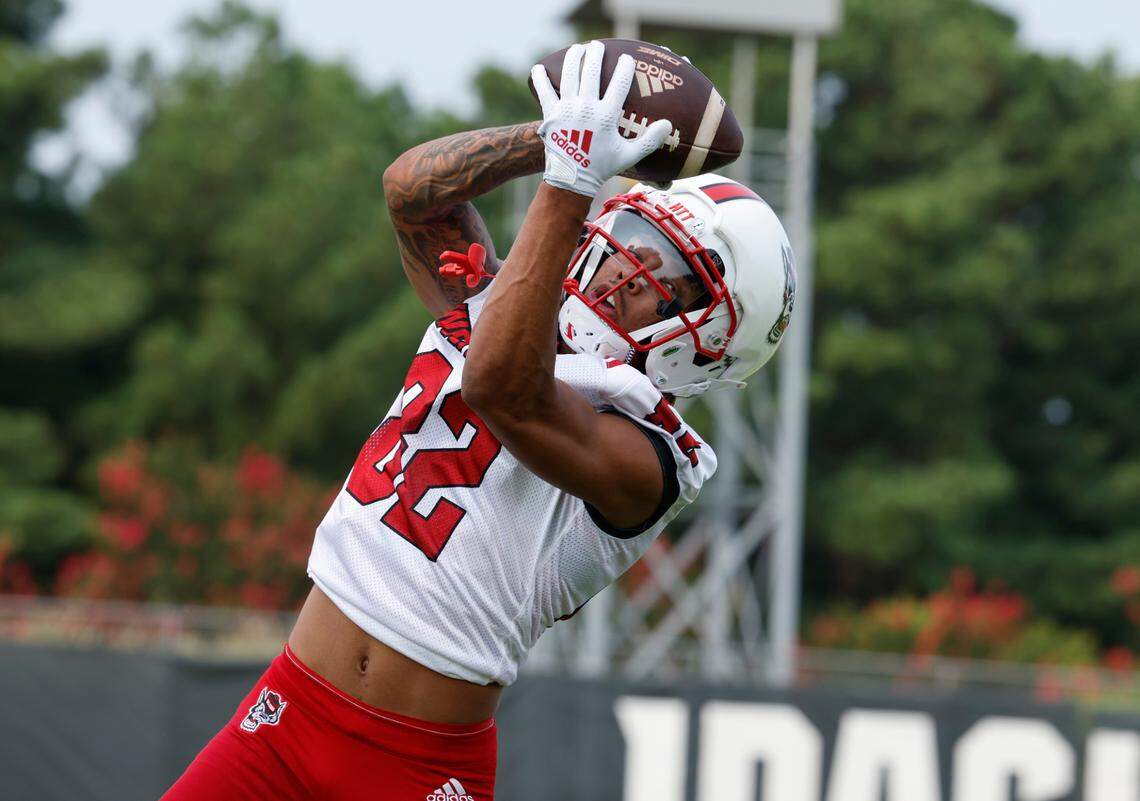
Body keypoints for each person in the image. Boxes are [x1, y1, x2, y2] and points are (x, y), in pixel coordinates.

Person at [161, 40, 795, 801]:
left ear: (715, 340)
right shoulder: (508, 308)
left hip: (413, 766)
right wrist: (559, 137)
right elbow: (410, 191)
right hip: (288, 709)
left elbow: (503, 387)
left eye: (669, 275)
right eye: (636, 239)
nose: (629, 269)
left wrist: (569, 179)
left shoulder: (651, 456)